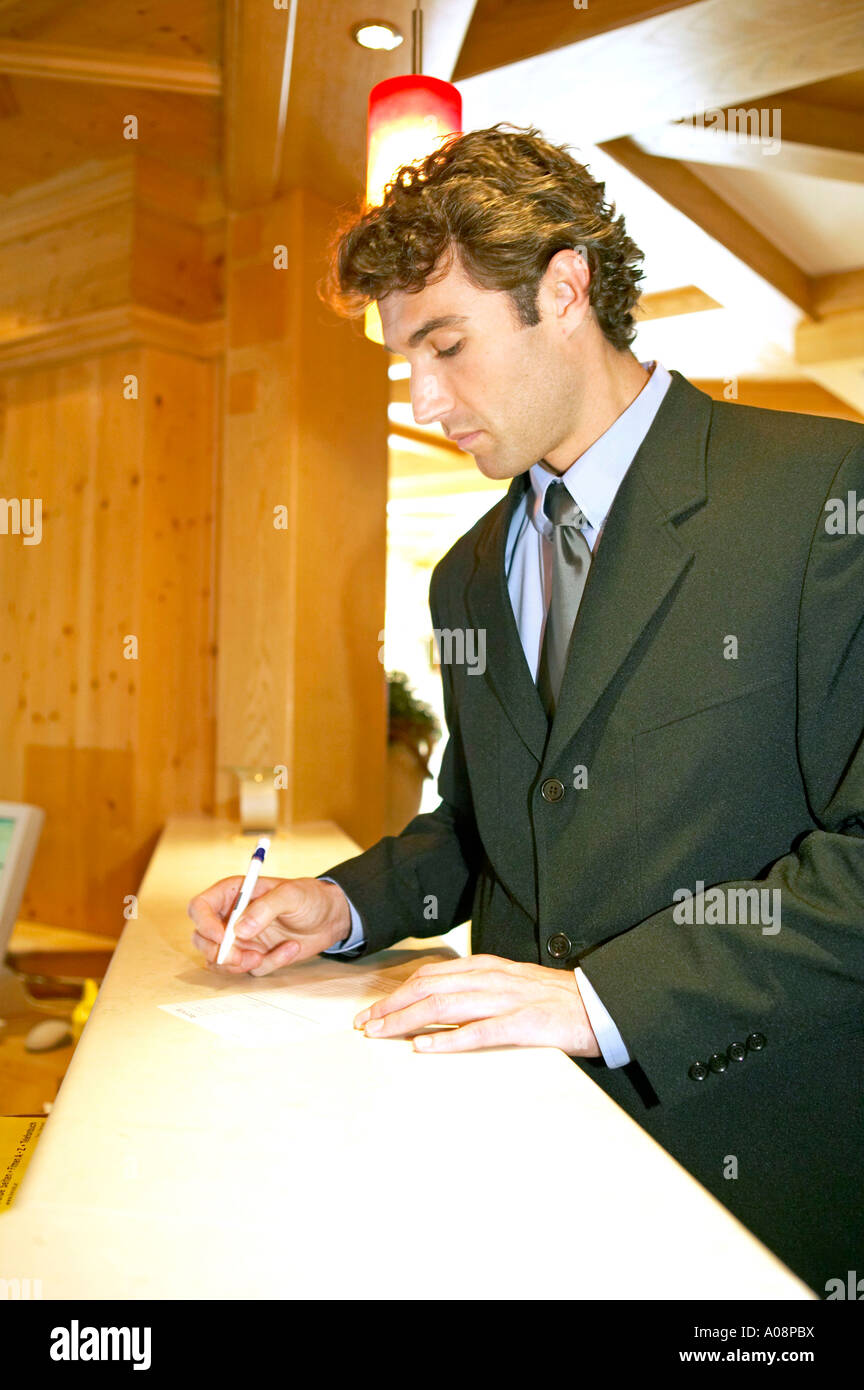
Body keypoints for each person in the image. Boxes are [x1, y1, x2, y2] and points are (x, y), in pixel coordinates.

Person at [188, 123, 864, 1296]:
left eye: (445, 345)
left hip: (759, 1186)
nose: (424, 395)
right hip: (509, 1152)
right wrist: (339, 905)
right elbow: (485, 820)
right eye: (405, 361)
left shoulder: (823, 494)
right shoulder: (464, 570)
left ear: (566, 285)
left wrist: (601, 1001)